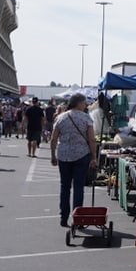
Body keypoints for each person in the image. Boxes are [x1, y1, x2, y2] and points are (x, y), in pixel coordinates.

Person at [50, 93, 98, 228]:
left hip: (63, 155)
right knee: (78, 187)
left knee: (64, 186)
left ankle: (63, 217)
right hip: (82, 155)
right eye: (84, 103)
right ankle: (78, 218)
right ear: (79, 103)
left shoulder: (60, 117)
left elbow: (53, 139)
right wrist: (94, 157)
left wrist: (53, 155)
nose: (85, 106)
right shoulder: (86, 118)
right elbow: (92, 139)